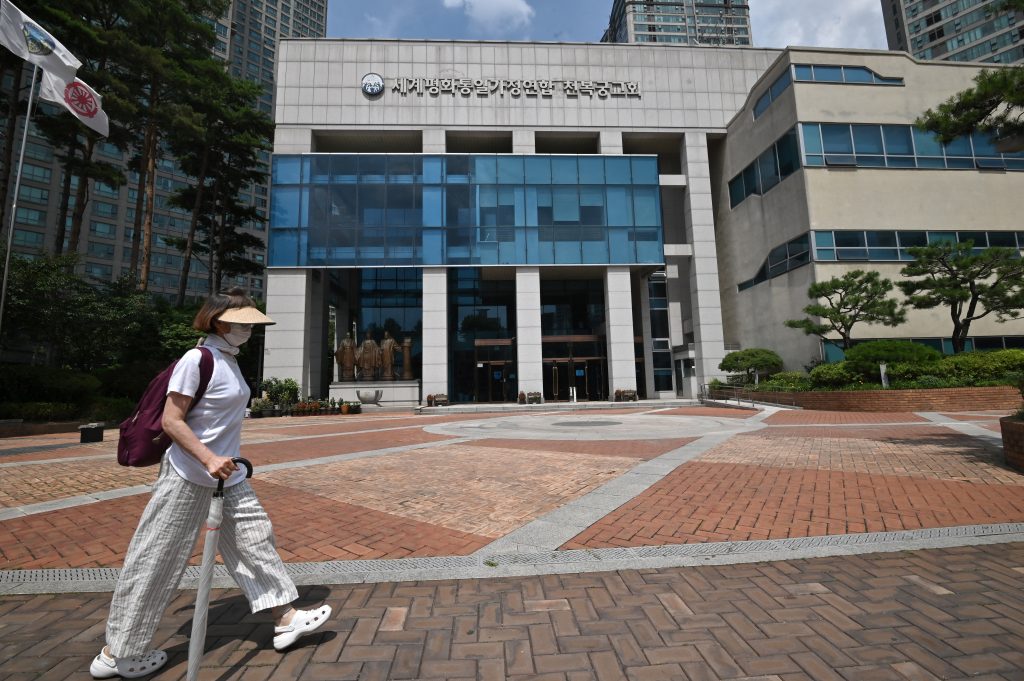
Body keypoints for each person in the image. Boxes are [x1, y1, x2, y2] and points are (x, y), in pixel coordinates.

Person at [91, 289, 331, 679]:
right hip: (189, 474)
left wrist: (222, 459)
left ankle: (285, 616)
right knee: (157, 559)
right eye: (243, 323)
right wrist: (207, 457)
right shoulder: (196, 359)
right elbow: (172, 420)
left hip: (228, 475)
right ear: (220, 321)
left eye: (251, 324)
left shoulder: (229, 361)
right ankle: (119, 653)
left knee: (255, 539)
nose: (249, 330)